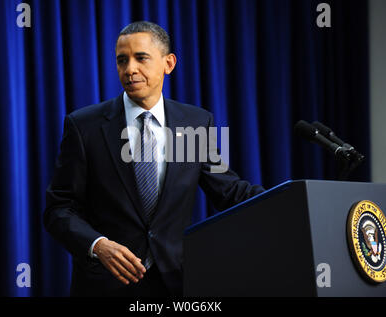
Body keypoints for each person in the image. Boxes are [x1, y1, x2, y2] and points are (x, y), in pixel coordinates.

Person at [44, 21, 264, 297]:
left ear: (168, 63)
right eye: (122, 60)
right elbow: (59, 208)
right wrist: (98, 245)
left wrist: (287, 199)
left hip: (176, 283)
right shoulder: (84, 126)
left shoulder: (195, 123)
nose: (130, 69)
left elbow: (230, 191)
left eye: (141, 58)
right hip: (106, 285)